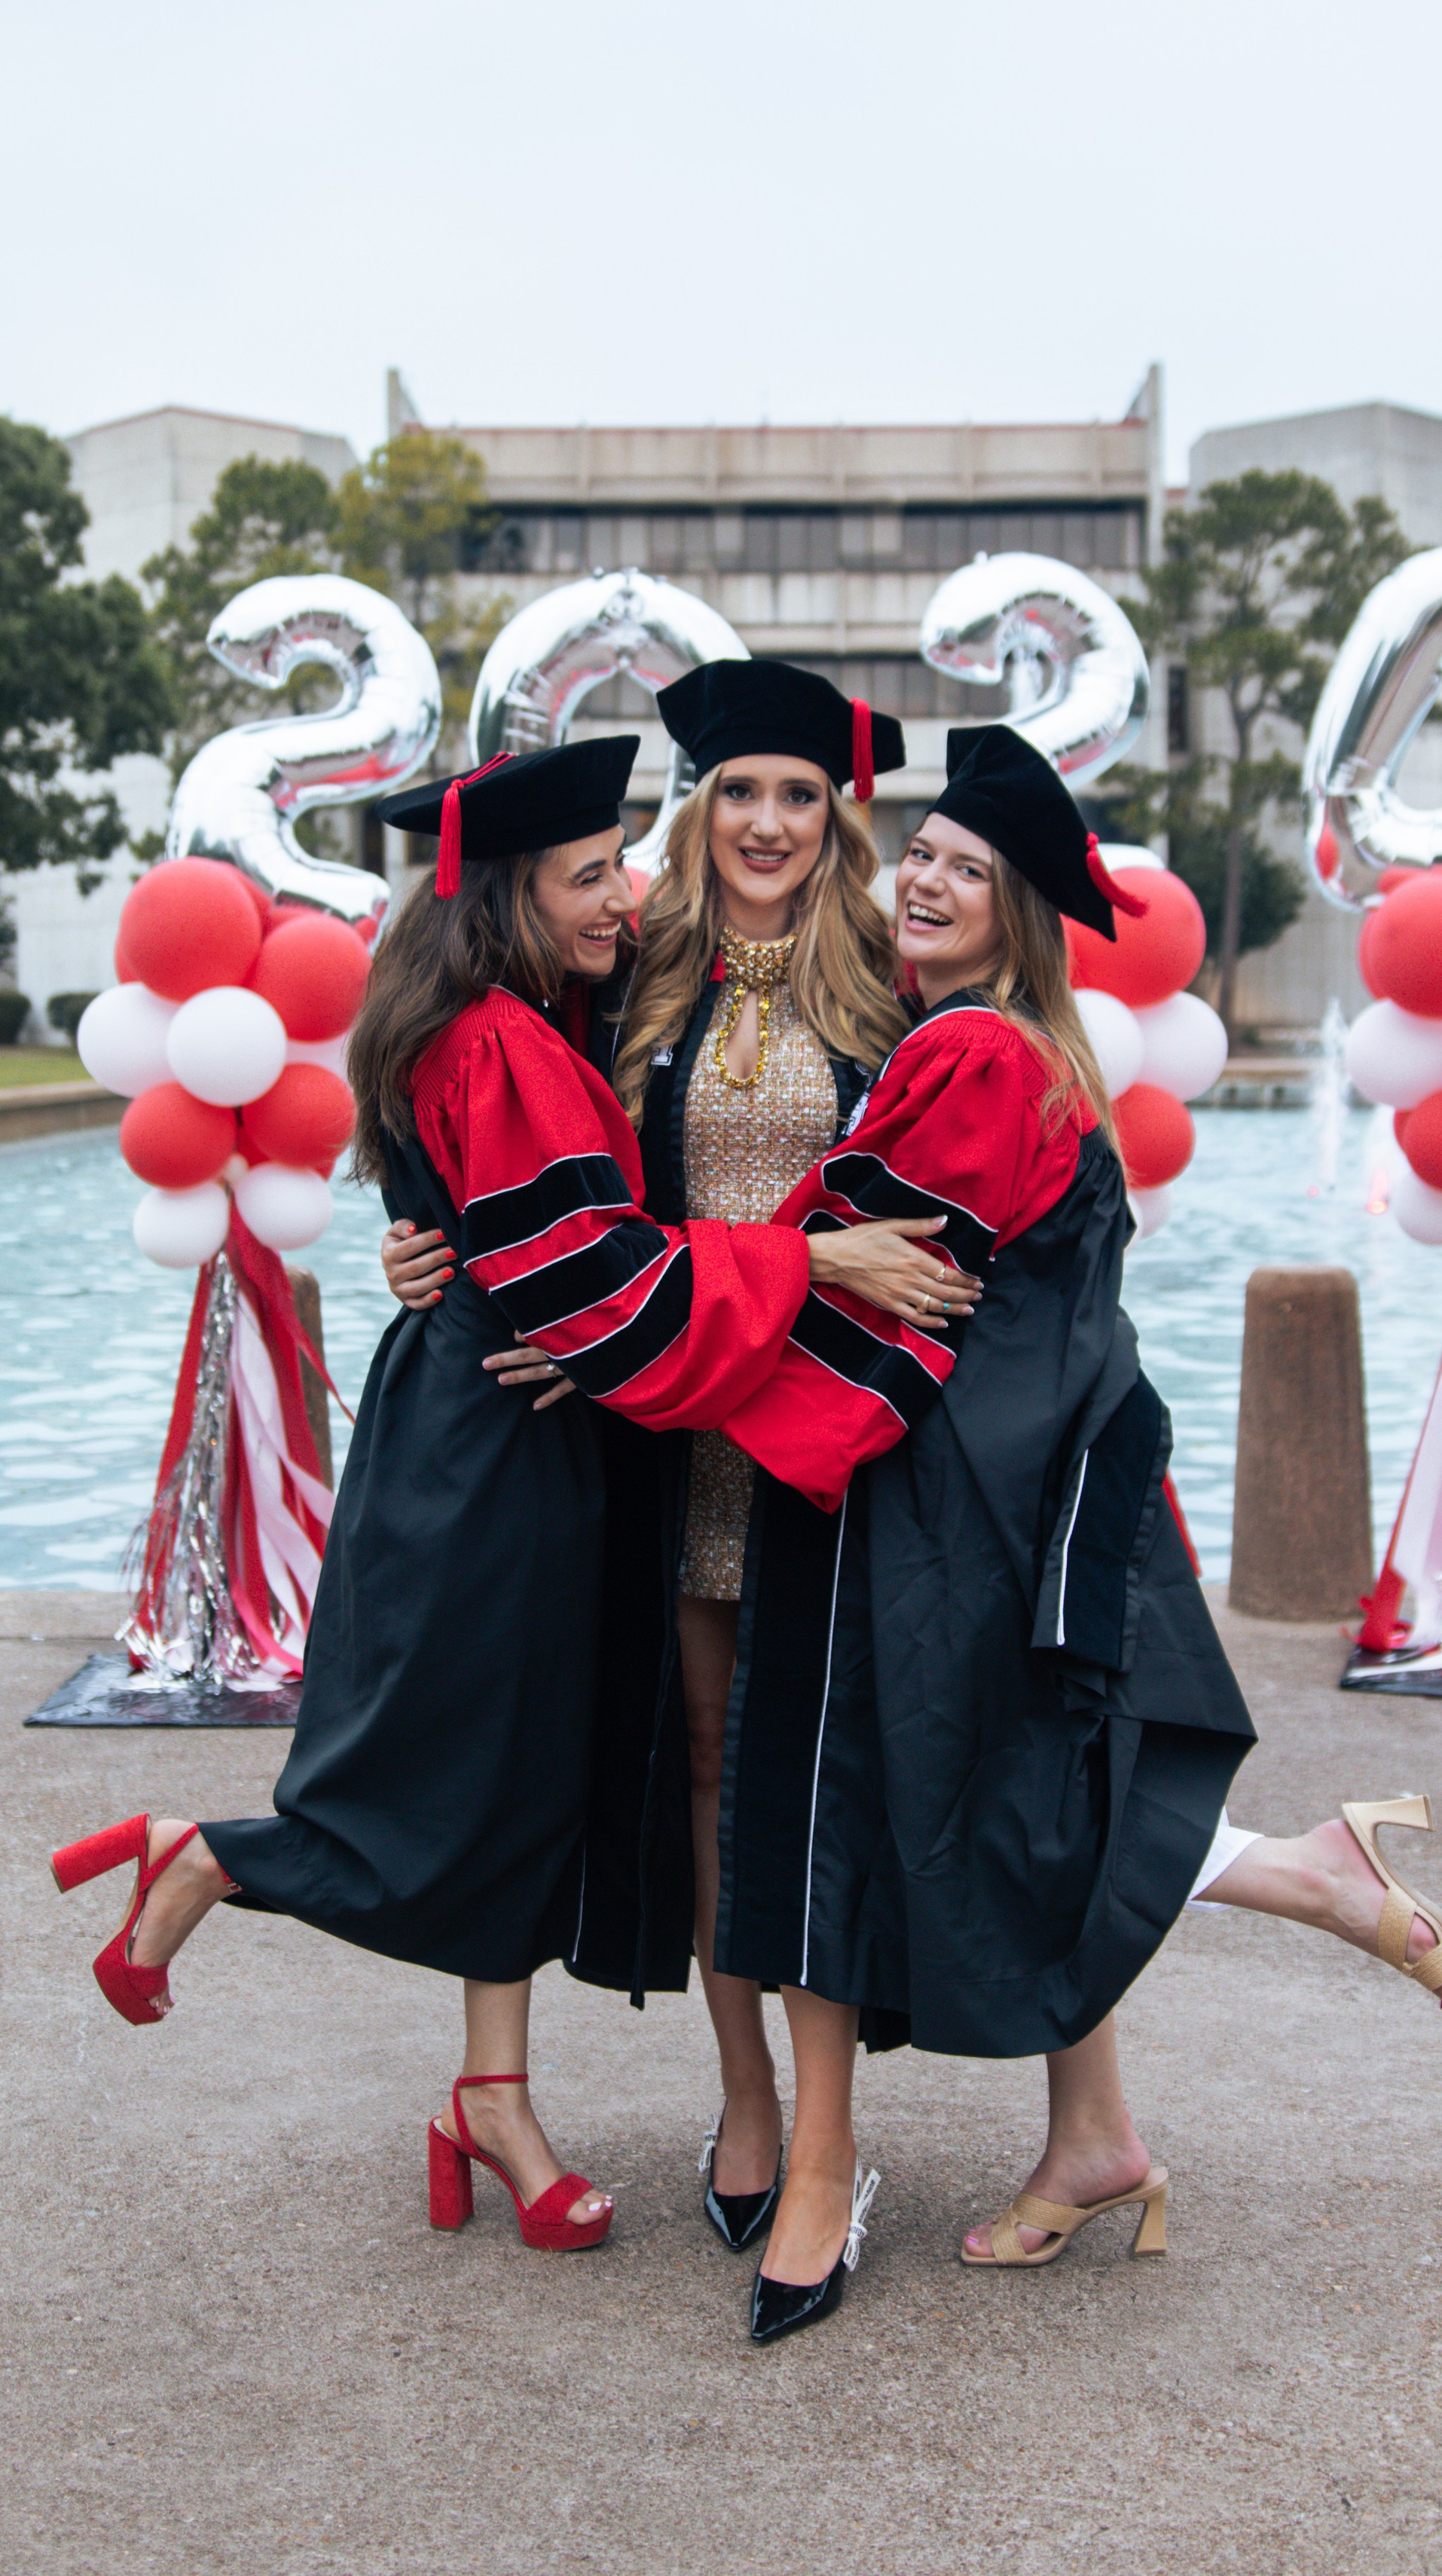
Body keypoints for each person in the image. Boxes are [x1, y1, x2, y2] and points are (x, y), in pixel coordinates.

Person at [49, 738, 959, 2256]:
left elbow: (547, 1234)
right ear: (511, 900)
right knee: (460, 1761)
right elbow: (589, 1281)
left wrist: (457, 1255)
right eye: (590, 875)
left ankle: (491, 2095)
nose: (625, 895)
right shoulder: (503, 1041)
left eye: (617, 865)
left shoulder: (540, 1015)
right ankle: (217, 1858)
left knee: (530, 1768)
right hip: (505, 1437)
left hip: (560, 1429)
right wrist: (808, 1262)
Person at [700, 726, 1442, 2341]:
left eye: (963, 874)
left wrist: (690, 1290)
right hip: (994, 1479)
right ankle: (1094, 2137)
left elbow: (849, 1259)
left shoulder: (973, 1059)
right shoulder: (991, 1046)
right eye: (915, 854)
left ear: (1016, 918)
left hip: (945, 1500)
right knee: (1027, 1784)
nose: (919, 878)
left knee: (976, 1801)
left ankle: (1318, 1882)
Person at [382, 663, 979, 2254]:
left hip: (839, 1444)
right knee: (714, 1778)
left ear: (835, 816)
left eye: (797, 794)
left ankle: (825, 2144)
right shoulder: (630, 970)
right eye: (737, 794)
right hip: (674, 1438)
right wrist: (425, 1234)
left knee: (822, 1786)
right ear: (694, 810)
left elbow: (989, 1175)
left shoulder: (893, 978)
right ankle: (749, 2103)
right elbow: (469, 1074)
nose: (768, 823)